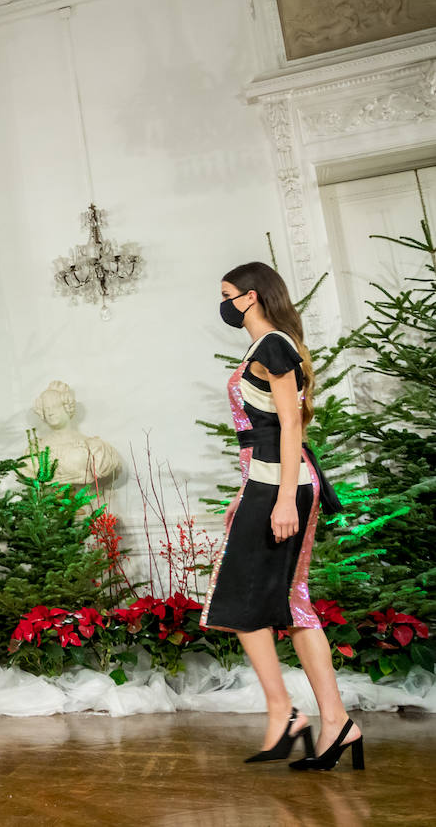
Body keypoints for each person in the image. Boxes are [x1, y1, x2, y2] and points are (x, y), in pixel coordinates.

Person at [200, 262, 362, 771]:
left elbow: (291, 423)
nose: (223, 304)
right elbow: (261, 430)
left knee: (241, 597)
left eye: (227, 295)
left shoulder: (273, 345)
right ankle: (333, 722)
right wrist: (245, 490)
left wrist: (285, 497)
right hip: (265, 481)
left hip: (281, 485)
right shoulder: (264, 347)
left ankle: (288, 712)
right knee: (291, 603)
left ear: (250, 297)